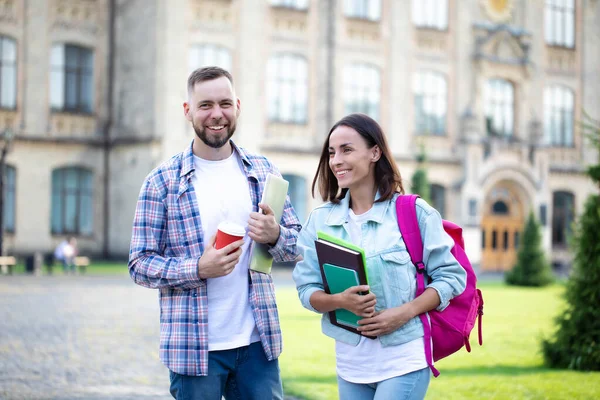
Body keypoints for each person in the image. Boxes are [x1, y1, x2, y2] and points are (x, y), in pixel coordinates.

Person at [128, 66, 301, 400]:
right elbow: (139, 264)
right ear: (187, 110)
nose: (216, 114)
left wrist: (276, 234)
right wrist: (198, 268)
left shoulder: (264, 172)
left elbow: (297, 246)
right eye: (205, 105)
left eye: (224, 103)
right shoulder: (161, 182)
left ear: (237, 106)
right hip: (194, 350)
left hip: (257, 346)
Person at [292, 113, 467, 400]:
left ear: (375, 152)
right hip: (350, 367)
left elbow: (451, 277)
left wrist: (404, 313)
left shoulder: (415, 213)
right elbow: (306, 289)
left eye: (347, 150)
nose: (336, 160)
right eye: (332, 152)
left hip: (403, 361)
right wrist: (338, 301)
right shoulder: (319, 222)